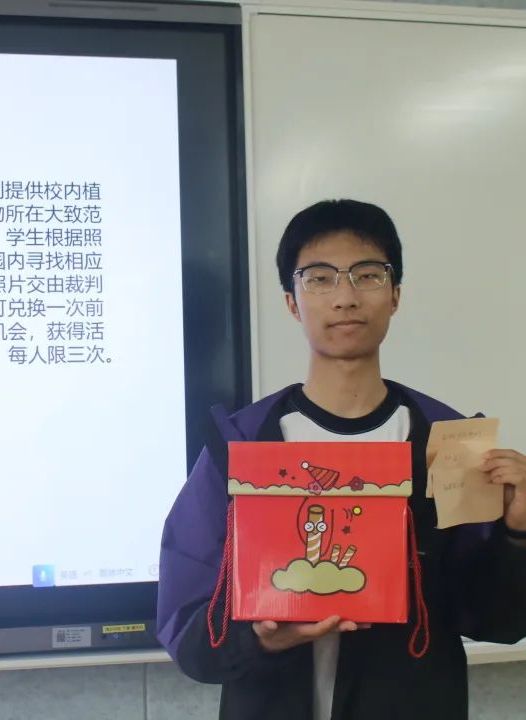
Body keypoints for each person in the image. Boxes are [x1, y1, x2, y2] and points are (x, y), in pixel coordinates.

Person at [156, 199, 526, 720]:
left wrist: (517, 534)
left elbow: (498, 621)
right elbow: (189, 624)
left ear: (395, 295)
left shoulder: (446, 442)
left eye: (368, 275)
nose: (346, 297)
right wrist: (256, 638)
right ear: (292, 302)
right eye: (320, 278)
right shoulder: (241, 445)